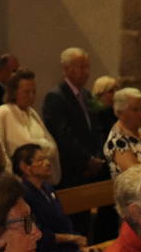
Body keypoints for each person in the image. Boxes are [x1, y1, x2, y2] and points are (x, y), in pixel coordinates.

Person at [13, 142, 94, 252]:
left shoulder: (48, 188)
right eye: (40, 160)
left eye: (46, 158)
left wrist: (78, 244)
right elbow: (37, 234)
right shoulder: (23, 194)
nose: (47, 163)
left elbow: (64, 221)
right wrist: (72, 239)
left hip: (65, 250)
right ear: (25, 167)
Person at [42, 47, 105, 187]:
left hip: (92, 166)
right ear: (66, 69)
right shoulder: (56, 97)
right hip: (71, 168)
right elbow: (63, 134)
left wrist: (98, 156)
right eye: (81, 67)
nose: (86, 72)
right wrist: (87, 159)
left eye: (87, 66)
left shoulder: (87, 95)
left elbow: (96, 128)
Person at [0, 68, 58, 182]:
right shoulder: (1, 113)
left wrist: (43, 148)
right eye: (26, 92)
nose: (31, 96)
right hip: (14, 179)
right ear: (14, 92)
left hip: (38, 177)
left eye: (34, 92)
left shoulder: (32, 113)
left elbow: (51, 145)